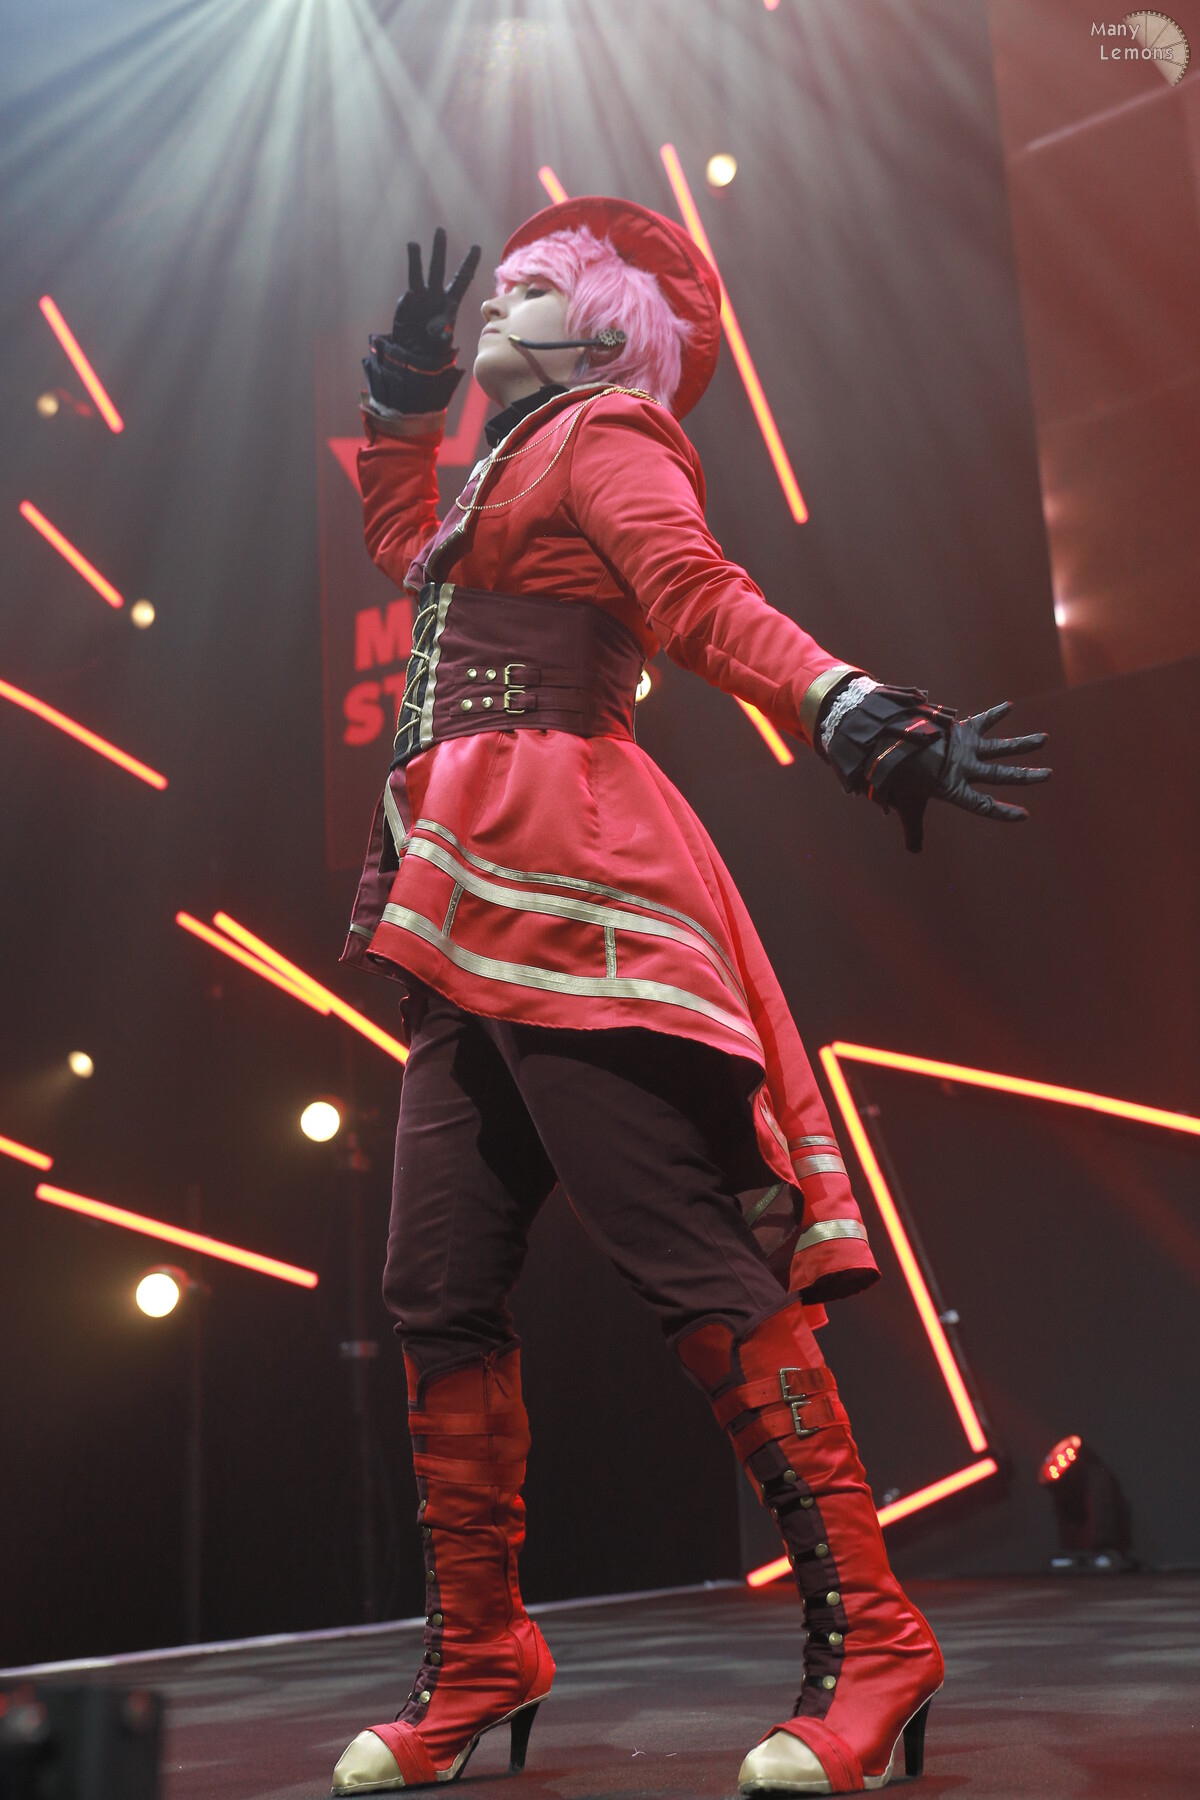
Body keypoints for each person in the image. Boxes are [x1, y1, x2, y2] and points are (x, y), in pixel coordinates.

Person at [332, 199, 1049, 1796]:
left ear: (606, 331)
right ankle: (482, 1652)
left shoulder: (609, 435)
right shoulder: (506, 471)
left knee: (685, 1258)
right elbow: (405, 550)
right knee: (435, 1286)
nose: (498, 303)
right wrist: (403, 397)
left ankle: (877, 1638)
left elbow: (698, 592)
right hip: (464, 896)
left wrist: (846, 706)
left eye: (530, 289)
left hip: (570, 881)